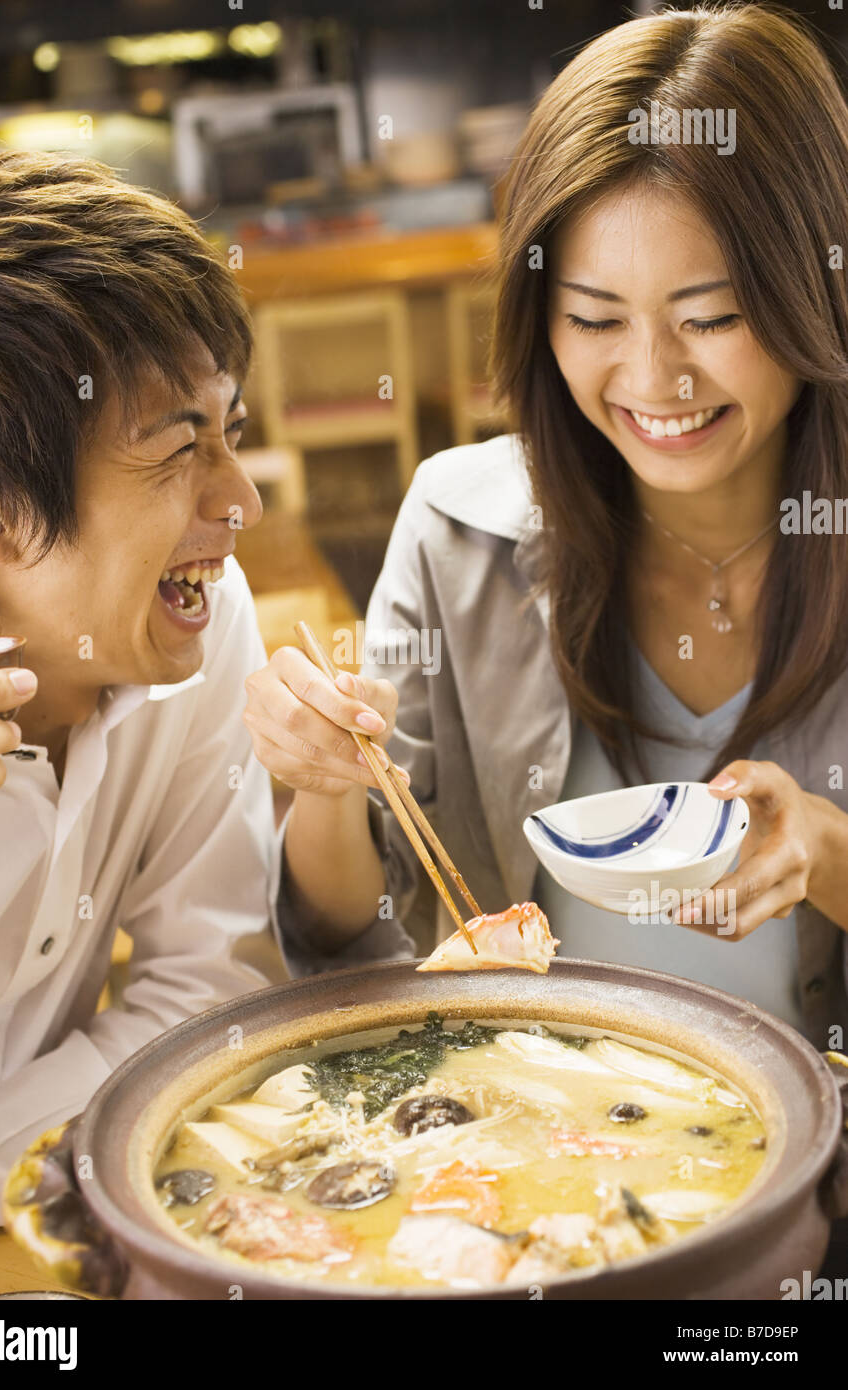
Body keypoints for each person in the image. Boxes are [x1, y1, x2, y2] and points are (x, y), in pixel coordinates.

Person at [245, 2, 848, 1047]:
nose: (654, 378)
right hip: (538, 1167)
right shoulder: (456, 532)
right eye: (594, 319)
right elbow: (350, 935)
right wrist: (320, 785)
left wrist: (828, 855)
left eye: (710, 316)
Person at [0, 150, 400, 1256]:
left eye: (227, 431)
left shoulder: (187, 620)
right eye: (180, 449)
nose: (239, 501)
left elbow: (205, 988)